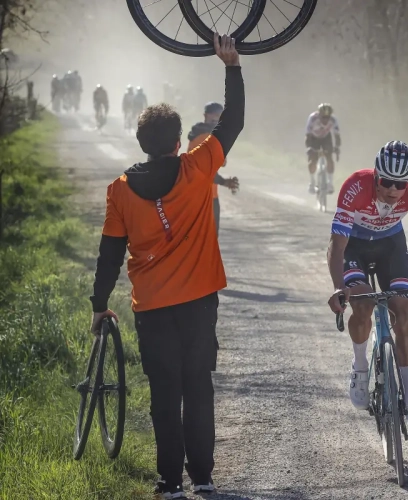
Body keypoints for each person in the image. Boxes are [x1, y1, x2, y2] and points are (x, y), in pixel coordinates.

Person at [89, 34, 244, 500]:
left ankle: (169, 482)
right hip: (198, 302)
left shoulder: (119, 190)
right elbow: (233, 123)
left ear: (140, 141)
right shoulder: (197, 167)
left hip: (152, 307)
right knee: (198, 386)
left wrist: (99, 305)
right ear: (180, 141)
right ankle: (204, 477)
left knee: (164, 392)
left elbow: (110, 254)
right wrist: (232, 65)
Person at [326, 140, 408, 436]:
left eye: (400, 184)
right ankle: (361, 367)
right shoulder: (354, 187)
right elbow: (336, 247)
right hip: (355, 246)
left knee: (403, 313)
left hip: (391, 245)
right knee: (362, 304)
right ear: (375, 175)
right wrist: (339, 288)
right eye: (386, 182)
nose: (392, 190)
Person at [187, 101, 240, 235]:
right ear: (206, 116)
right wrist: (223, 181)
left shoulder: (201, 134)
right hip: (204, 197)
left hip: (203, 194)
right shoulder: (206, 137)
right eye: (214, 115)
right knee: (207, 237)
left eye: (219, 116)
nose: (216, 118)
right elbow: (204, 169)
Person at [305, 103, 341, 194]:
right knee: (313, 159)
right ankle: (312, 182)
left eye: (327, 118)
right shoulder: (312, 118)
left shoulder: (333, 119)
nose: (325, 120)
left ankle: (330, 183)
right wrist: (309, 147)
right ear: (319, 115)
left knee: (329, 158)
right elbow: (308, 135)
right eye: (323, 117)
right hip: (313, 138)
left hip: (326, 138)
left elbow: (337, 136)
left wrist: (336, 147)